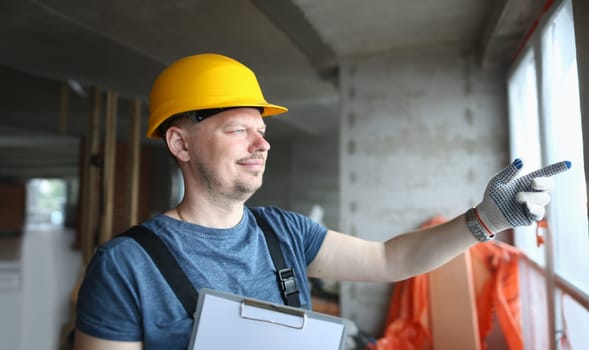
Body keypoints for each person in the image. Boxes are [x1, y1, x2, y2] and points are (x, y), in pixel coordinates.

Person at [73, 53, 570, 350]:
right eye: (238, 130)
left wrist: (485, 219)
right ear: (180, 144)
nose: (261, 144)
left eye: (262, 131)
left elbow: (390, 259)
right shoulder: (125, 266)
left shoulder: (282, 233)